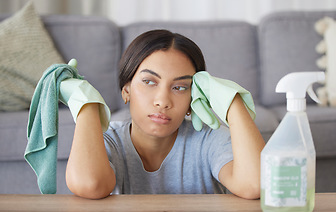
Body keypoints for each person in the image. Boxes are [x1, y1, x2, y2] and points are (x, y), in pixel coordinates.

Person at [65, 29, 265, 199]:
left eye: (179, 87)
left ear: (193, 100)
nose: (163, 101)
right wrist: (87, 107)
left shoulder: (210, 140)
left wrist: (233, 102)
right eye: (149, 82)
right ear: (126, 90)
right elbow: (89, 185)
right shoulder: (109, 141)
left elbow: (255, 185)